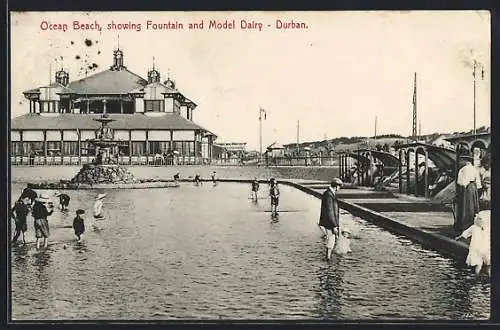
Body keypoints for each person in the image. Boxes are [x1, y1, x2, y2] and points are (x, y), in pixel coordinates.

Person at [455, 200, 490, 276]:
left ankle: (477, 276)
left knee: (478, 263)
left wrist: (458, 238)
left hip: (476, 247)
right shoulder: (487, 227)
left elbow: (465, 234)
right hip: (486, 246)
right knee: (488, 264)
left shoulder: (474, 227)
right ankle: (489, 276)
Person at [454, 158, 481, 234]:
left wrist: (464, 184)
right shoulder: (474, 169)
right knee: (472, 206)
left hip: (465, 189)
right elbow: (478, 182)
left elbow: (459, 182)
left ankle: (463, 225)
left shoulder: (462, 169)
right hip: (473, 187)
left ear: (466, 162)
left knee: (464, 206)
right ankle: (471, 224)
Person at [319, 178, 343, 261]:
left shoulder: (328, 193)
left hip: (328, 221)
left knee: (332, 239)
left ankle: (329, 257)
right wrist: (334, 226)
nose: (339, 189)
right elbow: (330, 211)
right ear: (336, 186)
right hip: (329, 223)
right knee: (331, 239)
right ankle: (328, 258)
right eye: (339, 187)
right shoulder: (329, 195)